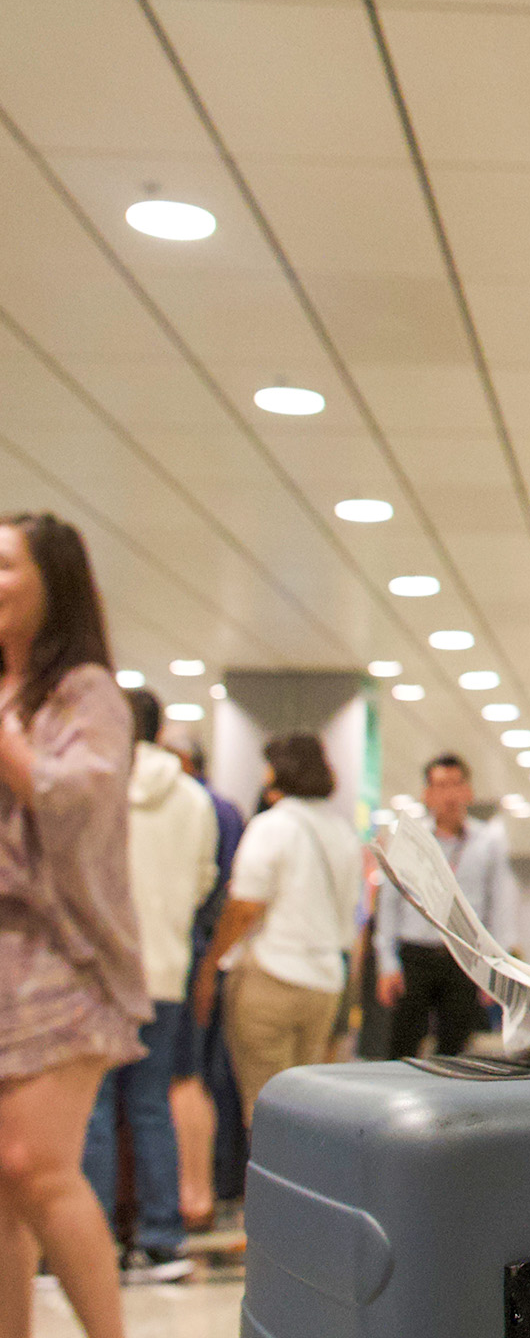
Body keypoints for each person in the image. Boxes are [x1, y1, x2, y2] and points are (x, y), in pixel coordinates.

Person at [0, 513, 143, 1338]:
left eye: (5, 564)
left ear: (51, 581)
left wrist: (12, 748)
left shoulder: (84, 691)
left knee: (36, 1164)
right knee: (4, 1179)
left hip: (65, 953)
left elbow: (76, 797)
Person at [82, 688, 219, 1284]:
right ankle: (162, 1242)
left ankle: (96, 1243)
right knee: (151, 1102)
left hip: (101, 967)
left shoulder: (97, 784)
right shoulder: (195, 799)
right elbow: (202, 880)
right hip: (165, 968)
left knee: (94, 1106)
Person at [194, 733, 361, 1124]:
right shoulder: (343, 833)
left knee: (266, 1109)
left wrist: (209, 967)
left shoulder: (273, 826)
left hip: (271, 977)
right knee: (305, 1112)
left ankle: (266, 1186)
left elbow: (245, 906)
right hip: (325, 983)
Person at [373, 753, 512, 1060]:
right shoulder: (409, 839)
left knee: (455, 1050)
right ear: (427, 794)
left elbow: (498, 908)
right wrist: (387, 963)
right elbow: (390, 904)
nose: (449, 794)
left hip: (462, 958)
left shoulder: (488, 842)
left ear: (469, 791)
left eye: (456, 784)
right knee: (402, 1047)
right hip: (415, 955)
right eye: (440, 785)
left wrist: (494, 972)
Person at [162, 733, 241, 1229]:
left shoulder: (196, 804)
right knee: (204, 1077)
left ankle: (193, 1194)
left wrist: (207, 957)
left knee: (184, 1078)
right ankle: (208, 1190)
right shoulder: (224, 810)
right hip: (200, 953)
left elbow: (219, 889)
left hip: (193, 953)